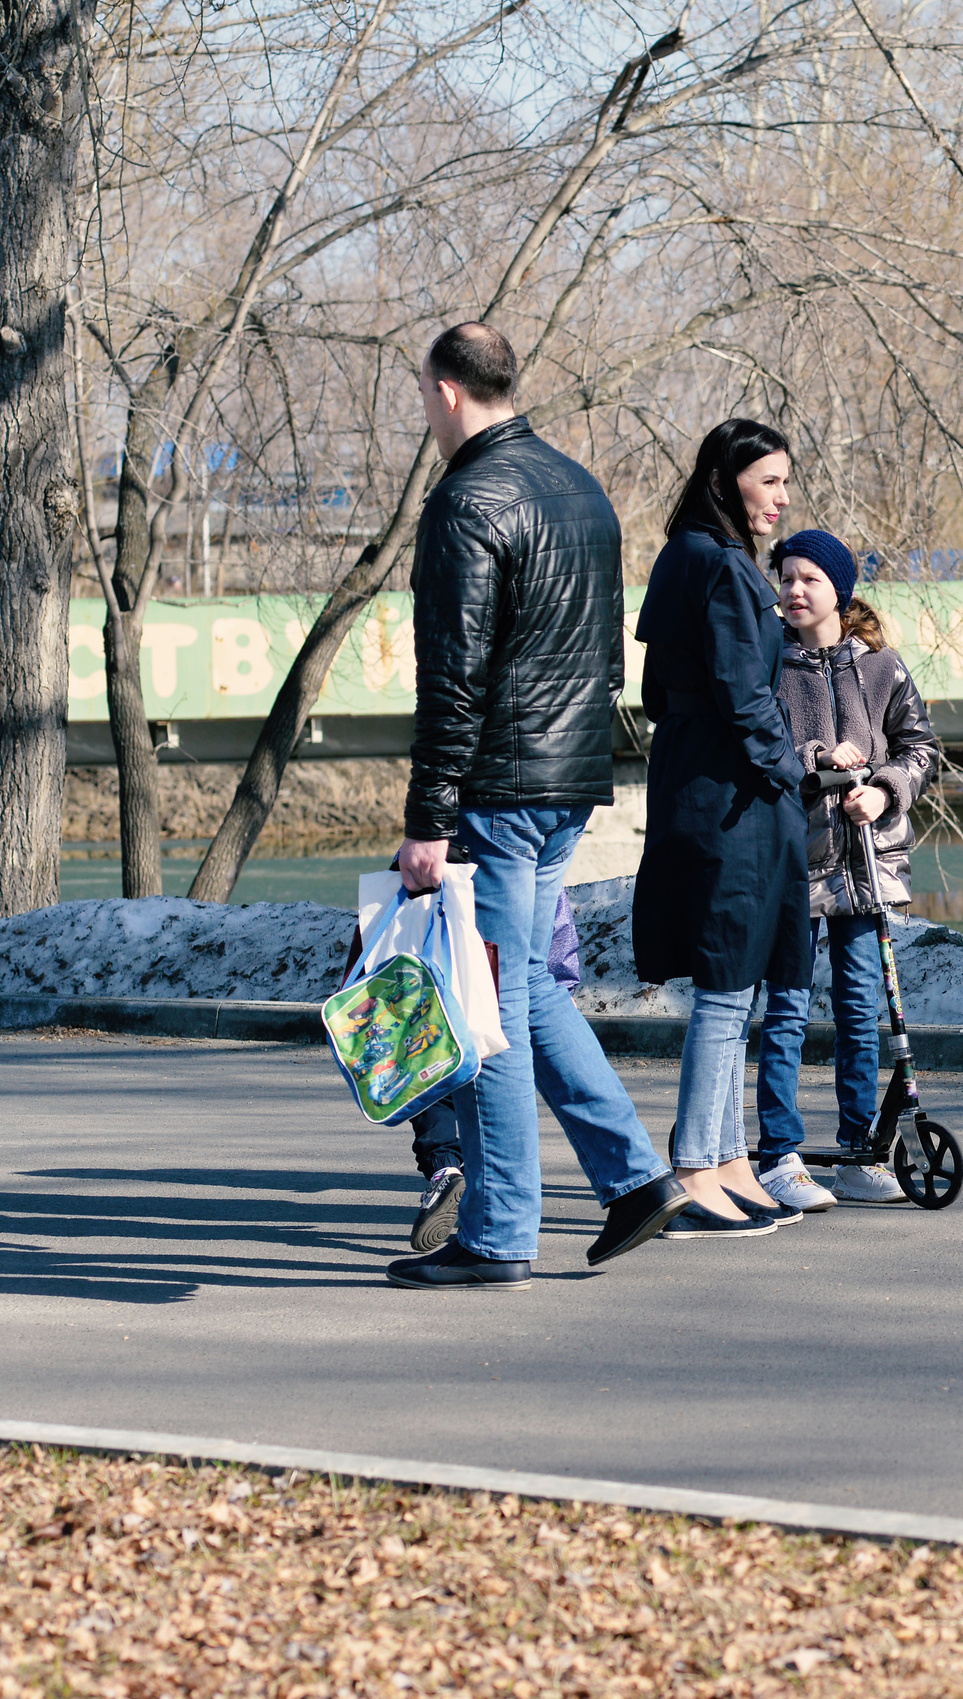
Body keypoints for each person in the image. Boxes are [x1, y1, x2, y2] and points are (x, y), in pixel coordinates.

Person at [384, 322, 690, 1290]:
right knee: (528, 987)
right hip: (568, 783)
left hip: (496, 791)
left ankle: (502, 1228)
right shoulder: (581, 489)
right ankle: (636, 1177)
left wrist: (429, 815)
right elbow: (604, 659)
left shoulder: (466, 500)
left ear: (444, 392)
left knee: (492, 1012)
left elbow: (455, 677)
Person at [629, 419, 813, 1238]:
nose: (781, 497)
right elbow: (745, 700)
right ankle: (696, 1167)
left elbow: (656, 695)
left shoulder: (685, 557)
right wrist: (795, 771)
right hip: (732, 798)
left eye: (783, 481)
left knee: (738, 981)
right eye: (768, 480)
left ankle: (730, 1157)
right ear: (725, 477)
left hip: (701, 782)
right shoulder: (722, 568)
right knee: (725, 989)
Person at [749, 528, 940, 1212]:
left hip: (864, 864)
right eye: (786, 577)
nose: (794, 590)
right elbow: (758, 744)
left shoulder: (881, 667)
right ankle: (779, 1154)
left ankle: (860, 1152)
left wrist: (883, 787)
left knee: (862, 1011)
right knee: (789, 1011)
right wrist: (815, 760)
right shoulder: (766, 660)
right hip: (794, 864)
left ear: (839, 589)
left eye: (809, 579)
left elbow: (921, 748)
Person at [407, 889, 584, 1252]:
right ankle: (493, 1193)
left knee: (427, 1075)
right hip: (511, 1001)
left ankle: (445, 1170)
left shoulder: (433, 851)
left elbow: (399, 921)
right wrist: (558, 994)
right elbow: (556, 928)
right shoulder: (526, 855)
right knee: (493, 1096)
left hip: (436, 992)